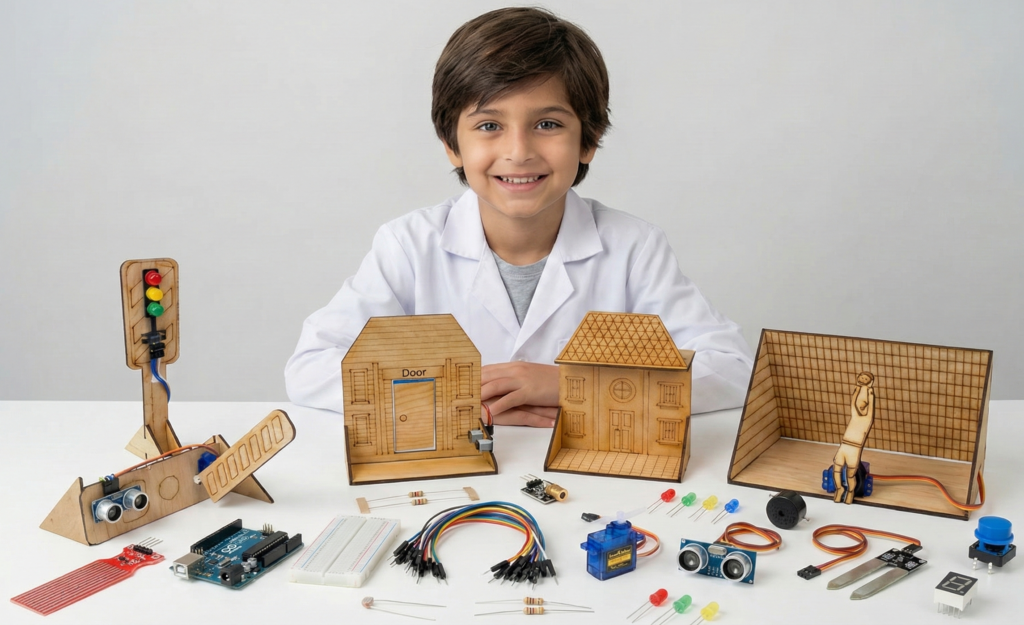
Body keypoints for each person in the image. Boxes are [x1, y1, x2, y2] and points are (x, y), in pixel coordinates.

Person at [285, 7, 753, 426]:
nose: (519, 151)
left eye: (547, 124)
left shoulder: (633, 247)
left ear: (588, 140)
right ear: (452, 145)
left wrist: (571, 385)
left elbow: (730, 368)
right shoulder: (408, 245)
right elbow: (312, 366)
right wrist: (458, 400)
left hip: (590, 476)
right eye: (489, 125)